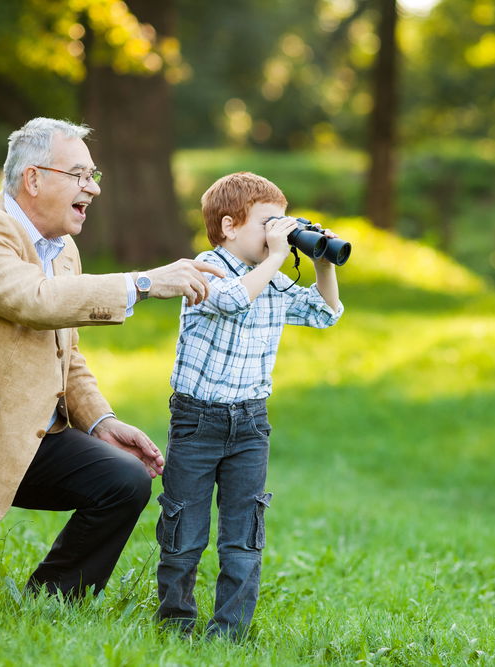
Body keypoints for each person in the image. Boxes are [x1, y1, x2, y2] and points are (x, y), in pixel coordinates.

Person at [0, 117, 224, 597]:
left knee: (124, 480)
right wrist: (143, 282)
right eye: (80, 174)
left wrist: (100, 421)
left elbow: (66, 353)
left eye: (93, 176)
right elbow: (33, 301)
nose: (92, 189)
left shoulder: (63, 251)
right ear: (33, 178)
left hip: (27, 437)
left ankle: (52, 597)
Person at [155, 172, 344, 639]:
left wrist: (323, 260)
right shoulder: (204, 268)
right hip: (197, 422)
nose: (278, 232)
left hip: (251, 425)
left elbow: (325, 313)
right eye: (269, 222)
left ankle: (229, 634)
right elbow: (234, 301)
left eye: (284, 222)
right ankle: (176, 623)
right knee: (185, 532)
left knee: (244, 534)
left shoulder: (274, 282)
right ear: (230, 226)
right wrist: (279, 255)